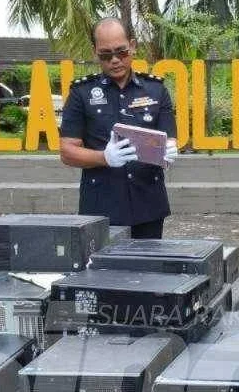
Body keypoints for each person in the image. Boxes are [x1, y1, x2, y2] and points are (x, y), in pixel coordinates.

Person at [59, 17, 179, 239]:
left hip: (148, 202)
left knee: (150, 270)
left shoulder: (156, 90)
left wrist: (170, 150)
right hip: (101, 205)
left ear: (132, 46)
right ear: (95, 52)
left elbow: (169, 138)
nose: (115, 60)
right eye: (106, 55)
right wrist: (104, 157)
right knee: (104, 272)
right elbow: (67, 151)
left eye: (121, 52)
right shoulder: (82, 93)